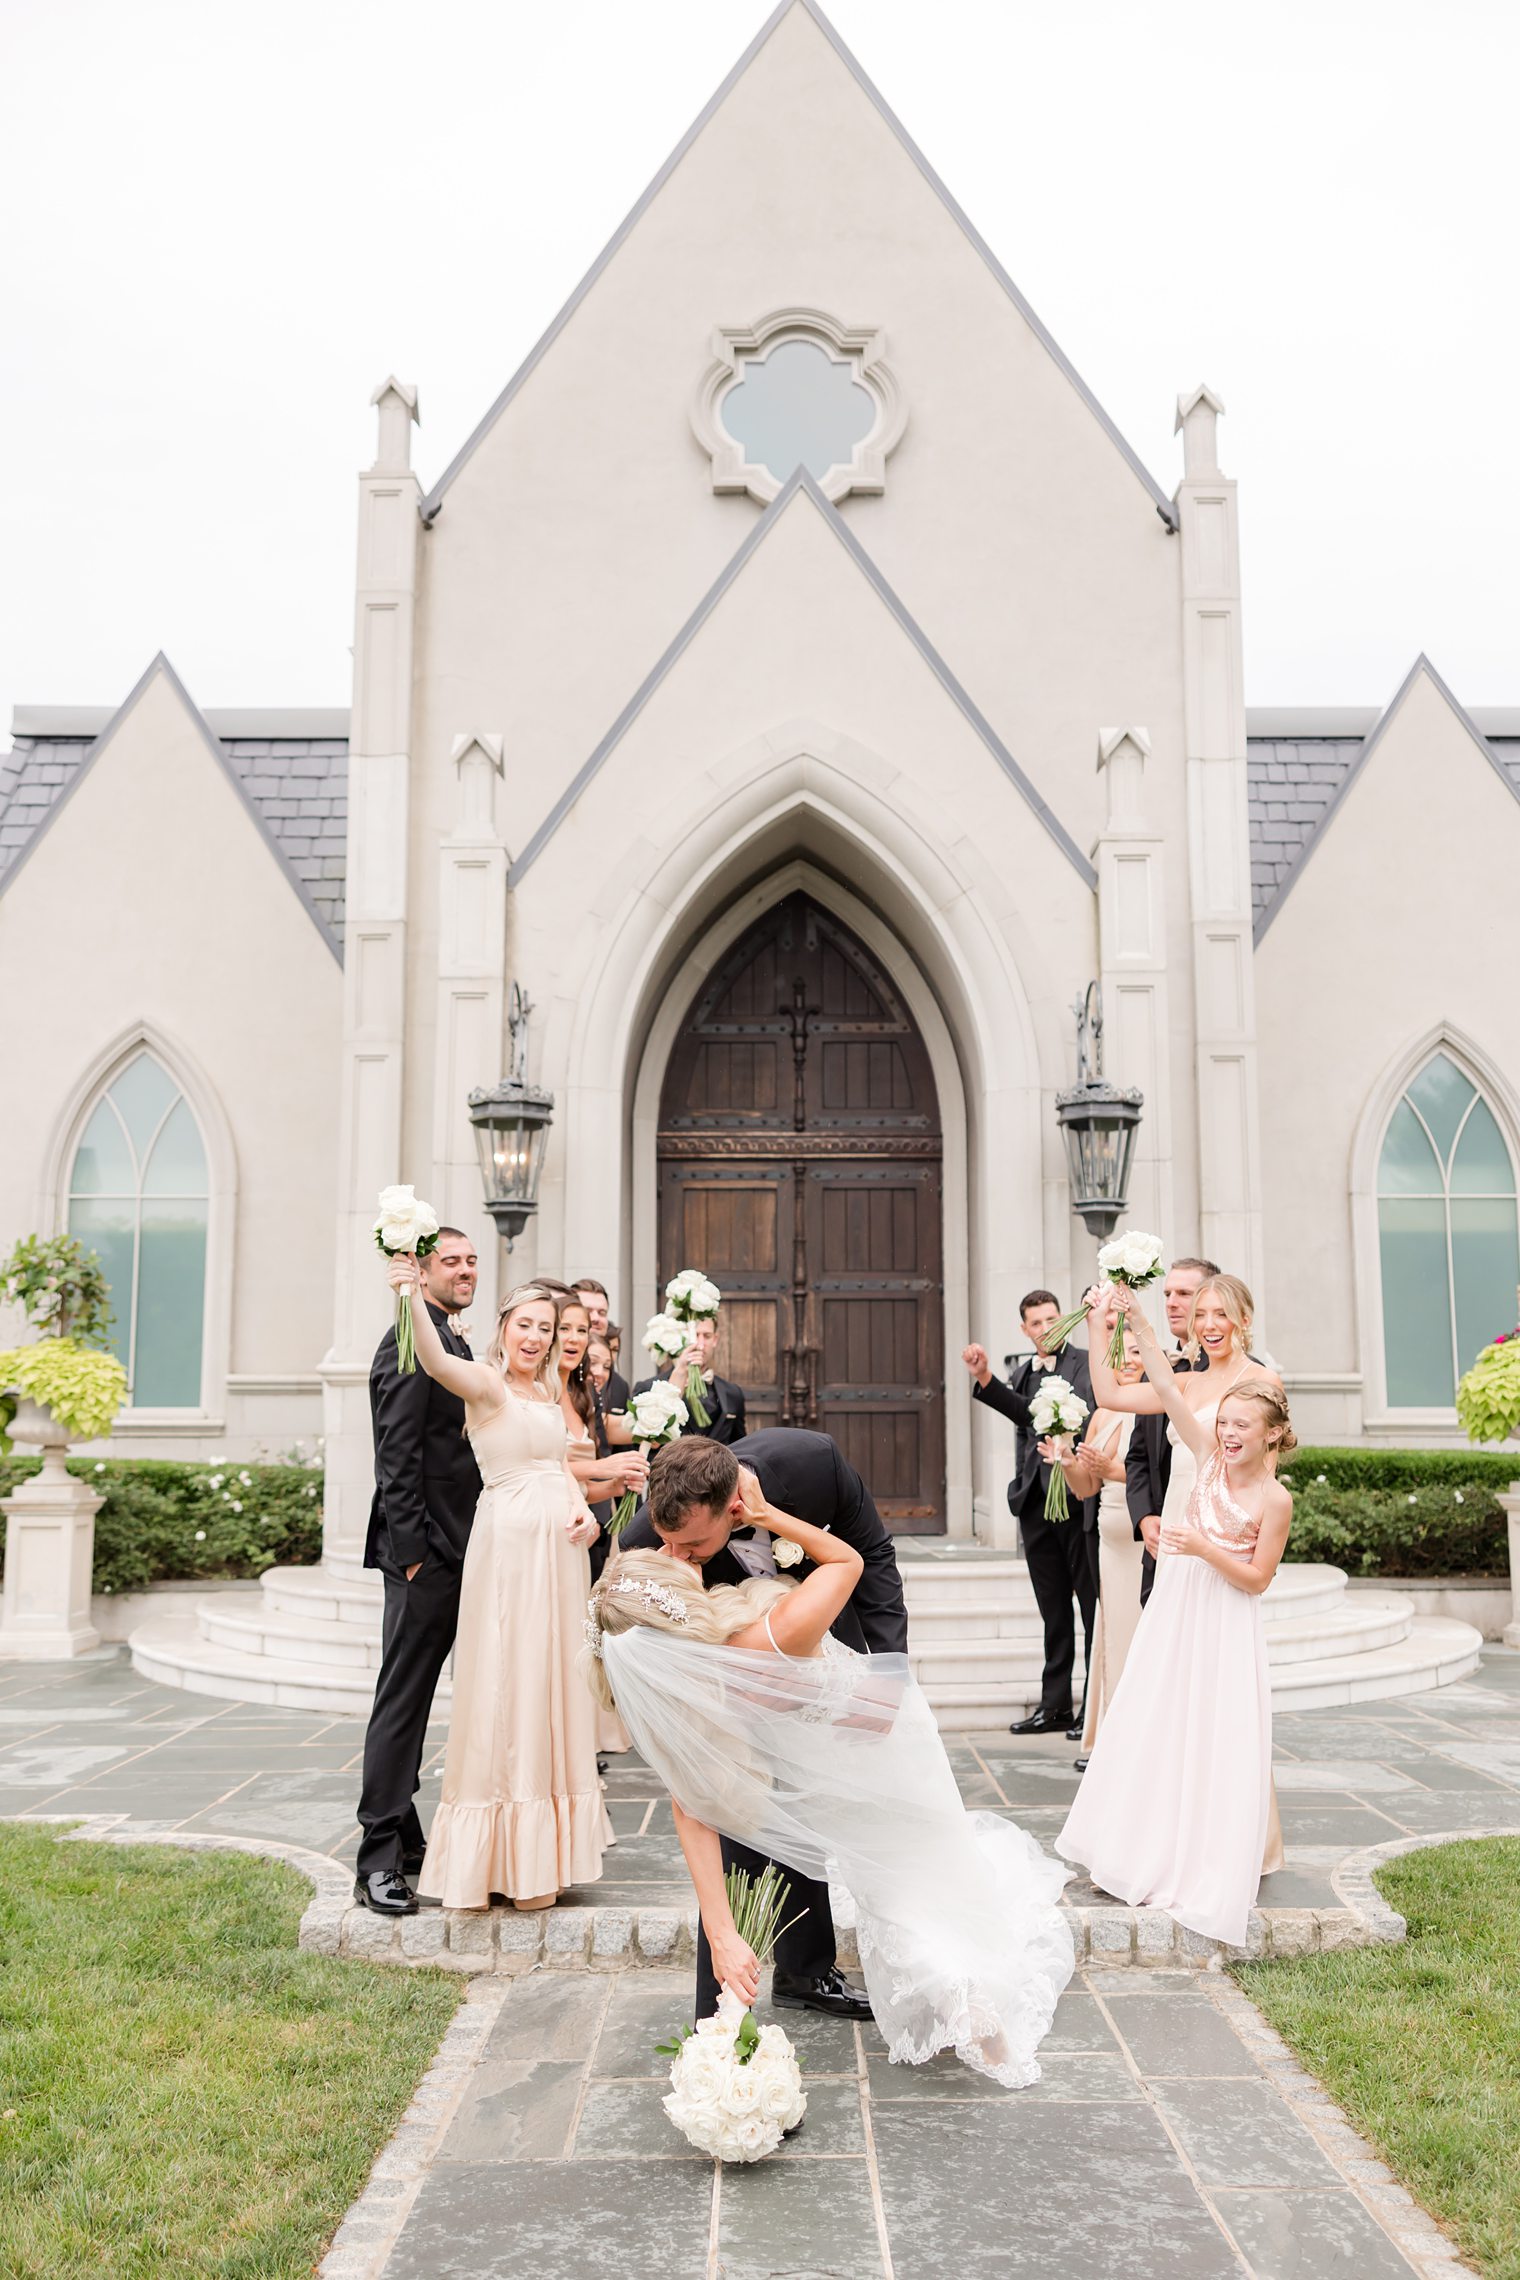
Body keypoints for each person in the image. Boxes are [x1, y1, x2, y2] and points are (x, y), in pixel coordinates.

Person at [583, 1489, 1074, 2088]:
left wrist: (721, 1932)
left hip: (821, 1775)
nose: (670, 1549)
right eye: (669, 1556)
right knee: (919, 1872)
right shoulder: (772, 1629)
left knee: (889, 1888)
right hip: (884, 1744)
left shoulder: (689, 1693)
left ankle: (960, 1993)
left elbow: (693, 1808)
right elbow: (848, 1563)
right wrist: (767, 1516)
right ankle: (967, 1996)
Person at [619, 1431, 908, 2021]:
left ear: (732, 1508)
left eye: (694, 1544)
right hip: (731, 1675)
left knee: (814, 1815)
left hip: (823, 1643)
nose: (678, 1556)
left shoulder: (813, 1465)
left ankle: (804, 1973)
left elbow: (870, 1553)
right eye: (668, 1542)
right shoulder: (649, 1540)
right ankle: (718, 2014)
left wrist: (887, 1673)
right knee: (734, 1821)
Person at [1057, 1288, 1296, 1947]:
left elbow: (1258, 1572)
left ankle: (1213, 1851)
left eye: (1240, 1425)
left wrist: (1207, 1543)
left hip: (1220, 1586)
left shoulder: (1267, 1490)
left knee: (1219, 1720)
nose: (1228, 1431)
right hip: (1179, 1584)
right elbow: (1159, 1383)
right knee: (1155, 1703)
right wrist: (1127, 1318)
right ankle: (1143, 1841)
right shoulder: (1204, 1431)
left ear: (1269, 1432)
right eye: (1223, 1425)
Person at [384, 1262, 612, 1910]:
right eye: (526, 1325)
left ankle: (544, 1859)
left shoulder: (547, 1396)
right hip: (509, 1551)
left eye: (546, 1327)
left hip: (560, 1556)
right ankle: (498, 1860)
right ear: (503, 1328)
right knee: (507, 1684)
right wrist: (407, 1294)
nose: (536, 1338)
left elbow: (560, 1466)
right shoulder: (486, 1386)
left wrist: (583, 1512)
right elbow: (431, 1359)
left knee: (548, 1685)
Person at [354, 1226, 482, 1916]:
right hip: (425, 1555)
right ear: (419, 1271)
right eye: (451, 1262)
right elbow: (396, 1457)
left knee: (416, 1699)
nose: (465, 1271)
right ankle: (375, 1857)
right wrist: (413, 1553)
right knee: (403, 1701)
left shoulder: (448, 1337)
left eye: (471, 1262)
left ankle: (405, 1839)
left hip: (461, 1549)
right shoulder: (408, 1340)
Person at [962, 1292, 1095, 1740]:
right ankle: (1054, 1705)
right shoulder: (1022, 1373)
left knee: (1091, 1609)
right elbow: (1024, 1417)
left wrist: (987, 1380)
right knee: (1053, 1611)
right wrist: (985, 1377)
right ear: (1025, 1330)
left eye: (1052, 1319)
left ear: (1066, 1321)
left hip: (1078, 1505)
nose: (1045, 1328)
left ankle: (1092, 1709)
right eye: (1036, 1323)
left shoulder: (1089, 1365)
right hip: (1036, 1508)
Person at [1045, 1295, 1144, 1767]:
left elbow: (1149, 1474)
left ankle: (1135, 1737)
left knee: (1136, 1636)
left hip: (1141, 1536)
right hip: (1108, 1537)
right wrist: (1066, 1458)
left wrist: (1114, 1468)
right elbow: (1086, 1488)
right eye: (1119, 1355)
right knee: (1109, 1633)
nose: (1126, 1363)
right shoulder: (1103, 1414)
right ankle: (1108, 1736)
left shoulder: (1155, 1406)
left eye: (1136, 1353)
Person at [1124, 1256, 1219, 1609]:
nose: (1171, 1303)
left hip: (1212, 1542)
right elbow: (1137, 1457)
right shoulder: (1156, 1369)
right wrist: (1145, 1517)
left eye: (1183, 1293)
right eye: (1166, 1294)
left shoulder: (1240, 1374)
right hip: (1159, 1547)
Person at [633, 1310, 747, 1444]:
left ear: (715, 1340)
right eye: (694, 1335)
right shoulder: (648, 1389)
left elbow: (741, 1446)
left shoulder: (733, 1393)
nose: (700, 1344)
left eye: (707, 1336)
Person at [573, 1278, 629, 1412]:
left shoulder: (619, 1386)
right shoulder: (555, 1369)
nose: (595, 1318)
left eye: (601, 1313)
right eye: (587, 1311)